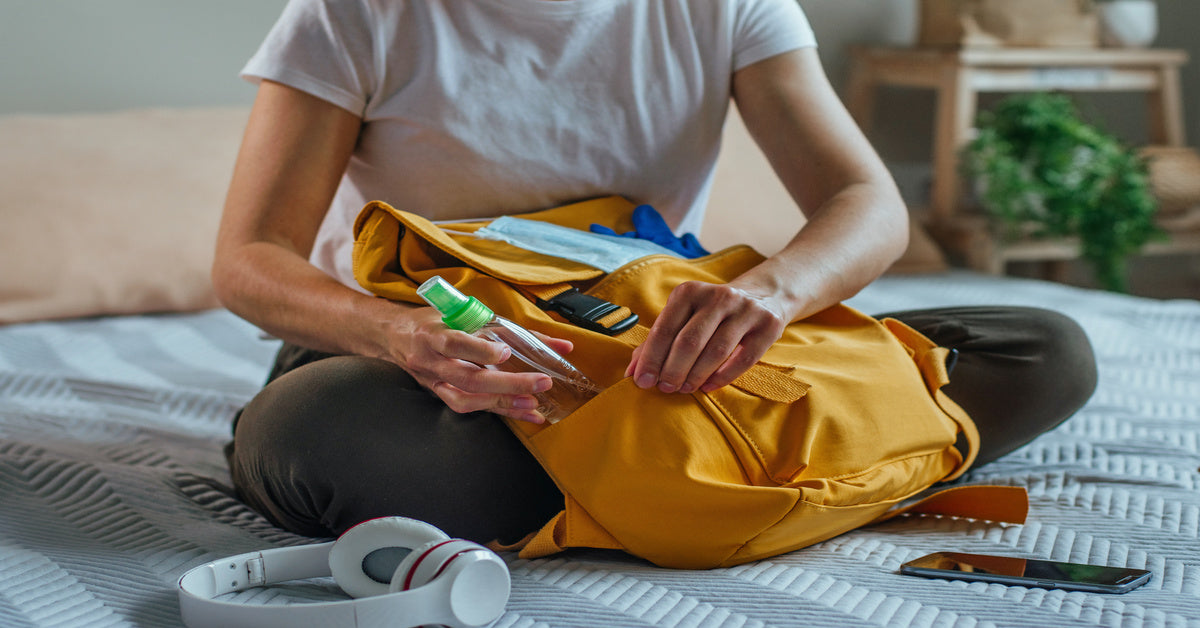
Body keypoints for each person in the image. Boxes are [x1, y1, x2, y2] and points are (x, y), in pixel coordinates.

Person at [214, 0, 1097, 546]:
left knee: (1044, 348)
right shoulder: (354, 12)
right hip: (420, 363)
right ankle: (765, 485)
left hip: (644, 349)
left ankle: (656, 495)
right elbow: (251, 262)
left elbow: (867, 200)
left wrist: (769, 295)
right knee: (307, 434)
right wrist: (405, 334)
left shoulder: (731, 7)